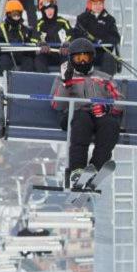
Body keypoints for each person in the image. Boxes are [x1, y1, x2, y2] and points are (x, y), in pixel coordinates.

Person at [50, 38, 123, 187]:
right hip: (75, 115)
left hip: (99, 114)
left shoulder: (104, 78)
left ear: (92, 58)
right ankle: (77, 170)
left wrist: (107, 107)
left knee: (110, 125)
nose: (82, 62)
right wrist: (66, 84)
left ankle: (96, 167)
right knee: (81, 122)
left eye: (86, 57)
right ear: (71, 59)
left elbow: (120, 100)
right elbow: (57, 104)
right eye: (78, 58)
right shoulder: (64, 79)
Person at [74, 0, 121, 74]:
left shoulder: (109, 20)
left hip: (102, 53)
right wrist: (89, 42)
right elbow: (76, 35)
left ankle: (106, 81)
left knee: (109, 57)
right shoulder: (82, 19)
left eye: (100, 4)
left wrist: (103, 41)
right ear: (89, 4)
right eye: (95, 4)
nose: (98, 7)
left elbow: (115, 37)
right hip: (86, 53)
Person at [0, 0, 38, 74]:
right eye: (13, 15)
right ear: (8, 14)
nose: (16, 17)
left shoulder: (25, 29)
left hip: (21, 54)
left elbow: (30, 43)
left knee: (28, 61)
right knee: (4, 61)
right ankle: (4, 82)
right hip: (7, 55)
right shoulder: (1, 29)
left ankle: (26, 82)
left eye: (18, 15)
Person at [34, 0, 72, 74]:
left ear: (55, 9)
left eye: (51, 8)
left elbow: (71, 34)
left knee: (68, 59)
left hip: (61, 53)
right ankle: (44, 81)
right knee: (39, 59)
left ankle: (67, 82)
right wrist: (41, 43)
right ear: (43, 11)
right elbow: (34, 36)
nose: (49, 11)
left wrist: (66, 44)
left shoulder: (63, 22)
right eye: (46, 9)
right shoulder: (39, 24)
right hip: (46, 53)